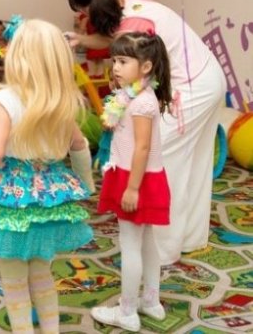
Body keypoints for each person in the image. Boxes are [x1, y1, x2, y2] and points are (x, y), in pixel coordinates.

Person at [0, 18, 95, 333]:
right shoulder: (62, 99)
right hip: (51, 199)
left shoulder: (5, 98)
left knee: (13, 280)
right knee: (42, 274)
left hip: (14, 200)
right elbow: (79, 145)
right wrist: (86, 186)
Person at [66, 0, 226, 264]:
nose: (82, 18)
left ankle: (160, 250)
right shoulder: (130, 0)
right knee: (194, 162)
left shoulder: (135, 25)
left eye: (82, 12)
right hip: (209, 76)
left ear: (89, 8)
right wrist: (82, 39)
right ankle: (189, 238)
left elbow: (131, 63)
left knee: (161, 161)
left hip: (191, 87)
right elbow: (116, 35)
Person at [90, 32, 173, 332]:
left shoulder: (142, 103)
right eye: (115, 60)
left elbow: (142, 147)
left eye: (123, 61)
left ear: (146, 67)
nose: (115, 67)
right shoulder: (134, 95)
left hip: (136, 179)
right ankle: (150, 300)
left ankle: (126, 311)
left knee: (130, 244)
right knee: (147, 241)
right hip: (138, 175)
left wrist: (133, 188)